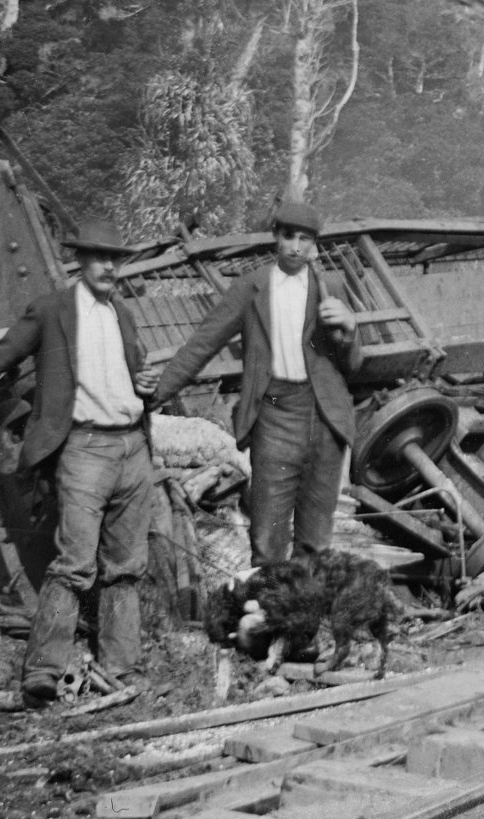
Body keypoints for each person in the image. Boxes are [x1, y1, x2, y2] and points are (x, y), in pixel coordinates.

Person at [0, 218, 157, 705]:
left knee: (126, 567)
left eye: (117, 259)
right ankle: (43, 671)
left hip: (132, 447)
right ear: (80, 261)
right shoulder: (52, 311)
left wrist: (145, 389)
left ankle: (120, 666)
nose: (110, 267)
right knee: (74, 564)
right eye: (99, 257)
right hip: (84, 450)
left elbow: (132, 379)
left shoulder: (123, 316)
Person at [150, 198, 359, 564]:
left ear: (315, 245)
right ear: (275, 237)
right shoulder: (251, 287)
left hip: (324, 420)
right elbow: (202, 345)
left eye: (306, 240)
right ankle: (266, 616)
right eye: (289, 236)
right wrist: (151, 398)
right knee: (267, 538)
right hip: (275, 416)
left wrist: (350, 328)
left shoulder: (331, 287)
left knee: (315, 544)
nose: (296, 247)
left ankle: (302, 619)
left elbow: (354, 364)